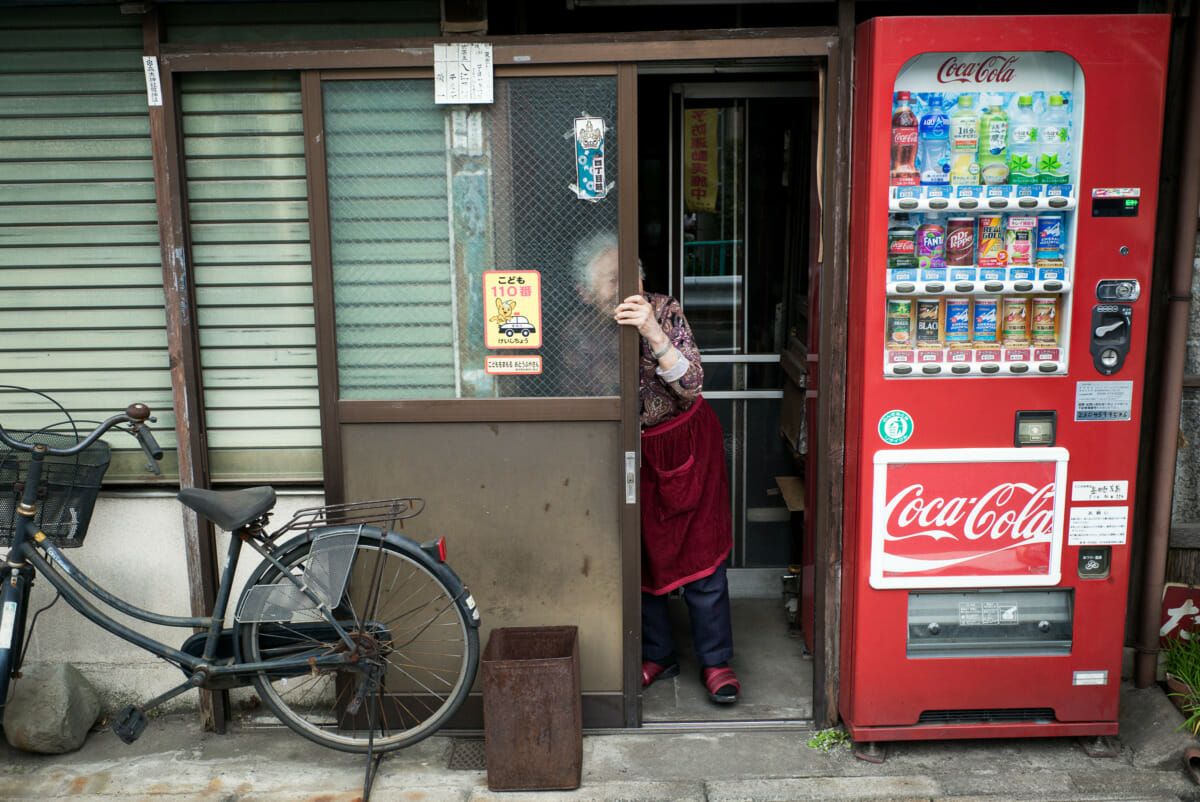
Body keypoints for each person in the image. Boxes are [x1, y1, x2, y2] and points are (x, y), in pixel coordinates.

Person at [570, 232, 740, 704]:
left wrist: (652, 331)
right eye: (612, 280)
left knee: (701, 554)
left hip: (684, 443)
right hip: (629, 451)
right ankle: (659, 653)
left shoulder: (664, 309)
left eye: (634, 276)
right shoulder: (577, 331)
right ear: (586, 293)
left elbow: (692, 383)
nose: (628, 288)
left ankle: (716, 660)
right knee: (641, 553)